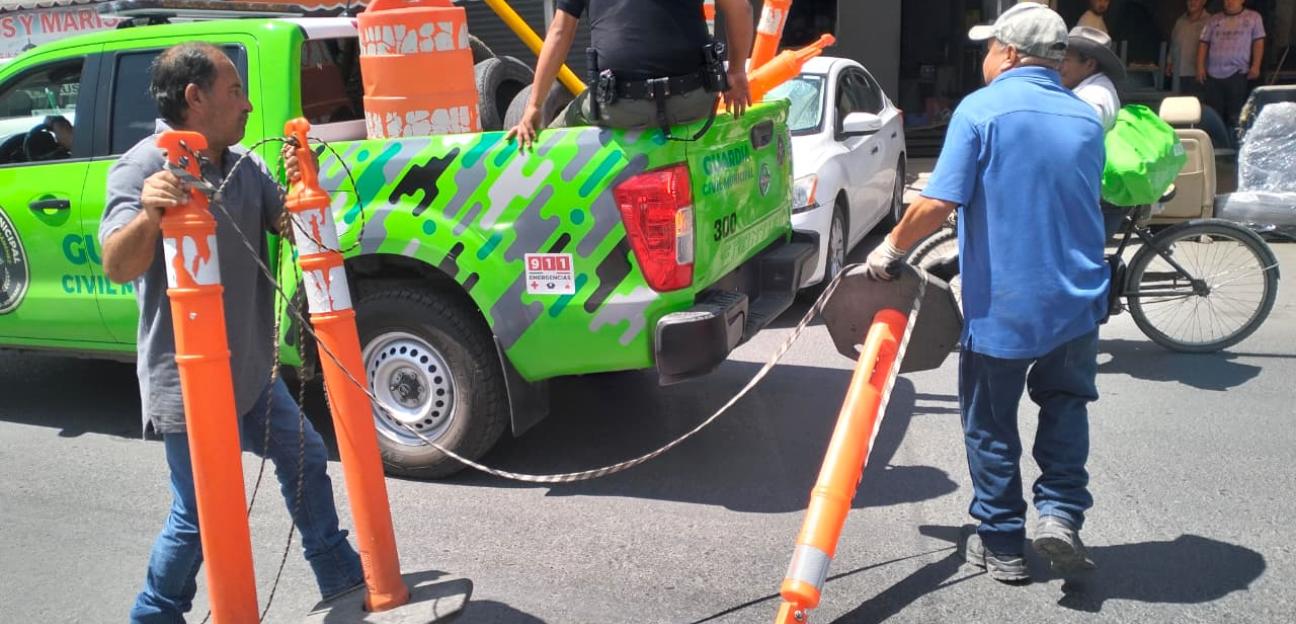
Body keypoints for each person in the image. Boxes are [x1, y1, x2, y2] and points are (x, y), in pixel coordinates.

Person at [99, 43, 364, 623]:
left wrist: (303, 187)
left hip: (249, 371)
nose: (246, 105)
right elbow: (117, 265)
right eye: (235, 91)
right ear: (195, 98)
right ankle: (154, 614)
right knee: (200, 515)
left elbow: (290, 229)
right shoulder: (143, 168)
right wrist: (150, 213)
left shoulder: (244, 166)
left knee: (305, 457)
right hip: (188, 384)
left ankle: (341, 576)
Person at [866, 2, 1109, 583]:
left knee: (991, 422)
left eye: (989, 47)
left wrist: (889, 251)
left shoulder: (982, 110)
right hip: (1077, 300)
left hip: (1005, 304)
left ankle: (1001, 542)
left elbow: (937, 202)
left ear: (1010, 53)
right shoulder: (1085, 118)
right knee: (1066, 406)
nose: (985, 57)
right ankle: (1060, 514)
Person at [506, 0, 753, 150]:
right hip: (693, 101)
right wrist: (736, 72)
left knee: (558, 131)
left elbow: (560, 33)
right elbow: (741, 8)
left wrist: (534, 106)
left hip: (619, 107)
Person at [1197, 0, 1266, 129]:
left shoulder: (1253, 17)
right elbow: (1204, 43)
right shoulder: (1214, 19)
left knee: (1236, 114)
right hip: (1213, 74)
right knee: (1214, 113)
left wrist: (1256, 65)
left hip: (1238, 72)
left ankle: (1234, 140)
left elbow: (1258, 42)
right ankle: (1216, 140)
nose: (1230, 1)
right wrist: (1200, 66)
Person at [1059, 26, 1125, 131]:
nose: (1058, 66)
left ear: (1090, 64)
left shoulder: (1093, 97)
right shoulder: (1097, 89)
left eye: (1065, 60)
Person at [1167, 0, 1211, 96]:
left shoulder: (1210, 21)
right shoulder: (1180, 21)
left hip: (1198, 74)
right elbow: (1174, 43)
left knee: (1194, 103)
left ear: (1204, 1)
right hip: (1178, 73)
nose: (1192, 2)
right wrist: (1169, 62)